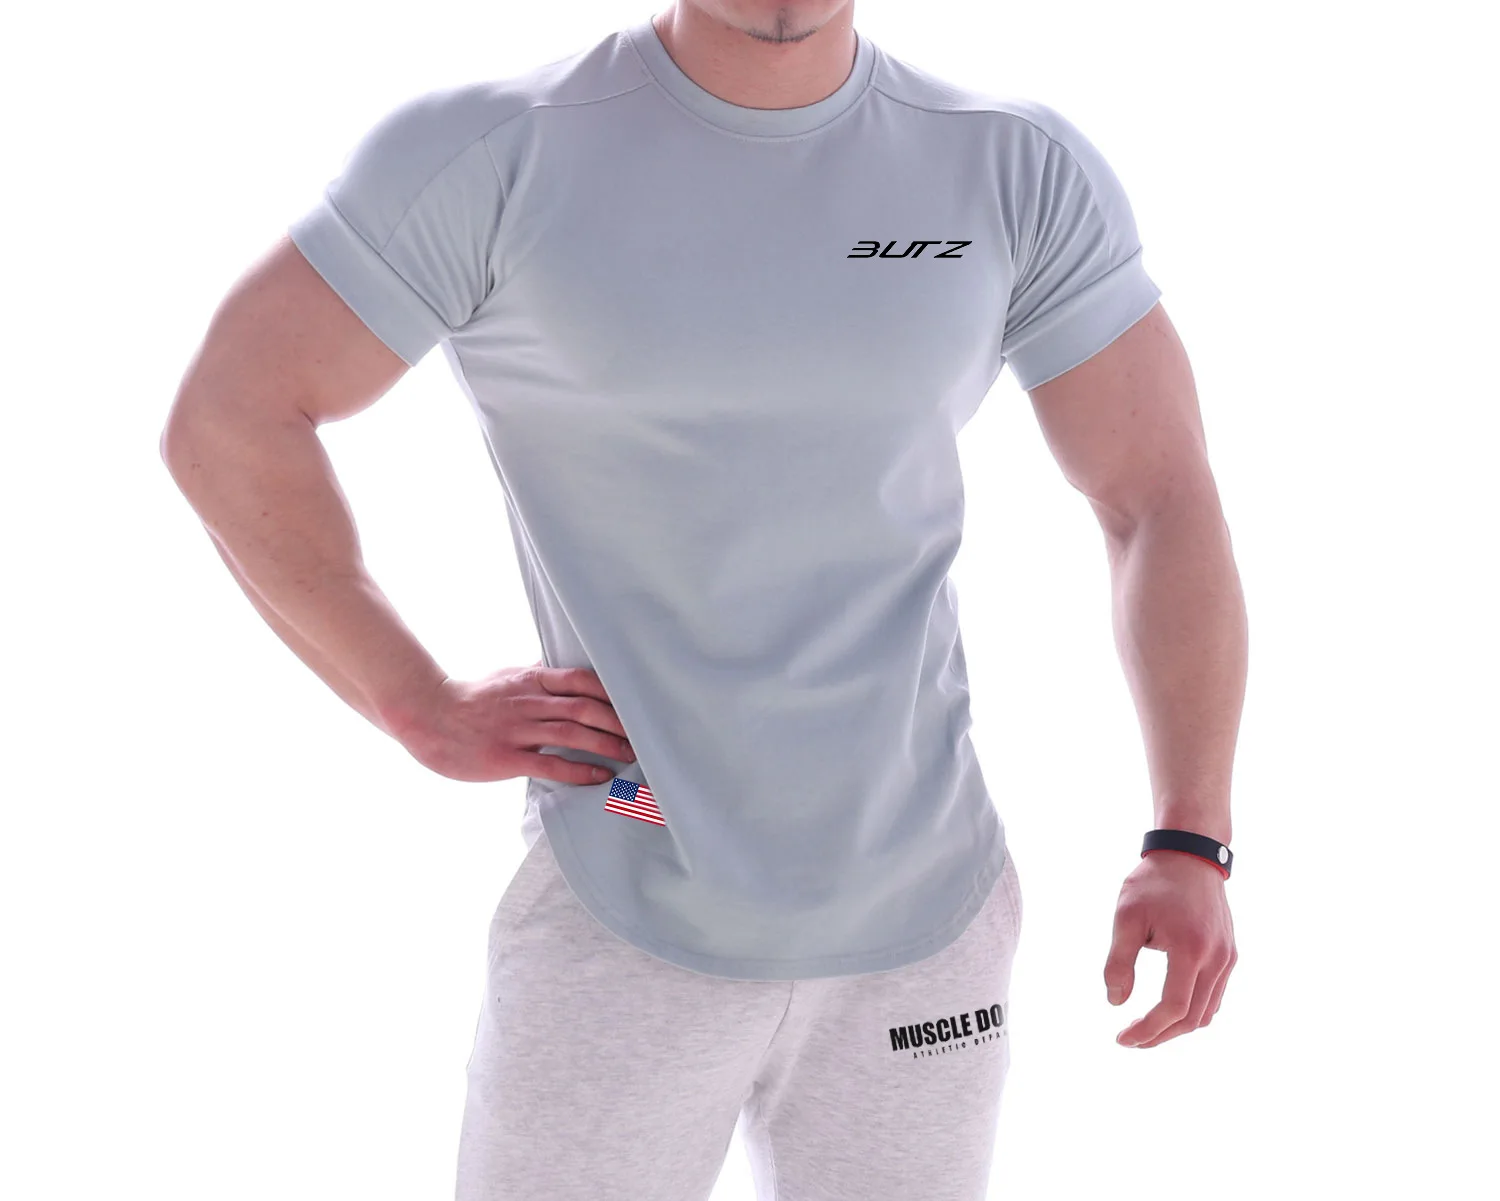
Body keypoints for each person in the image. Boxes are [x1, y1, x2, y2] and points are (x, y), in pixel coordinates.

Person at [160, 2, 1246, 1197]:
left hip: (927, 914)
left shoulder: (1008, 163)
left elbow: (1157, 492)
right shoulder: (494, 153)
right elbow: (230, 416)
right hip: (623, 899)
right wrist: (409, 696)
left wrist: (1189, 836)